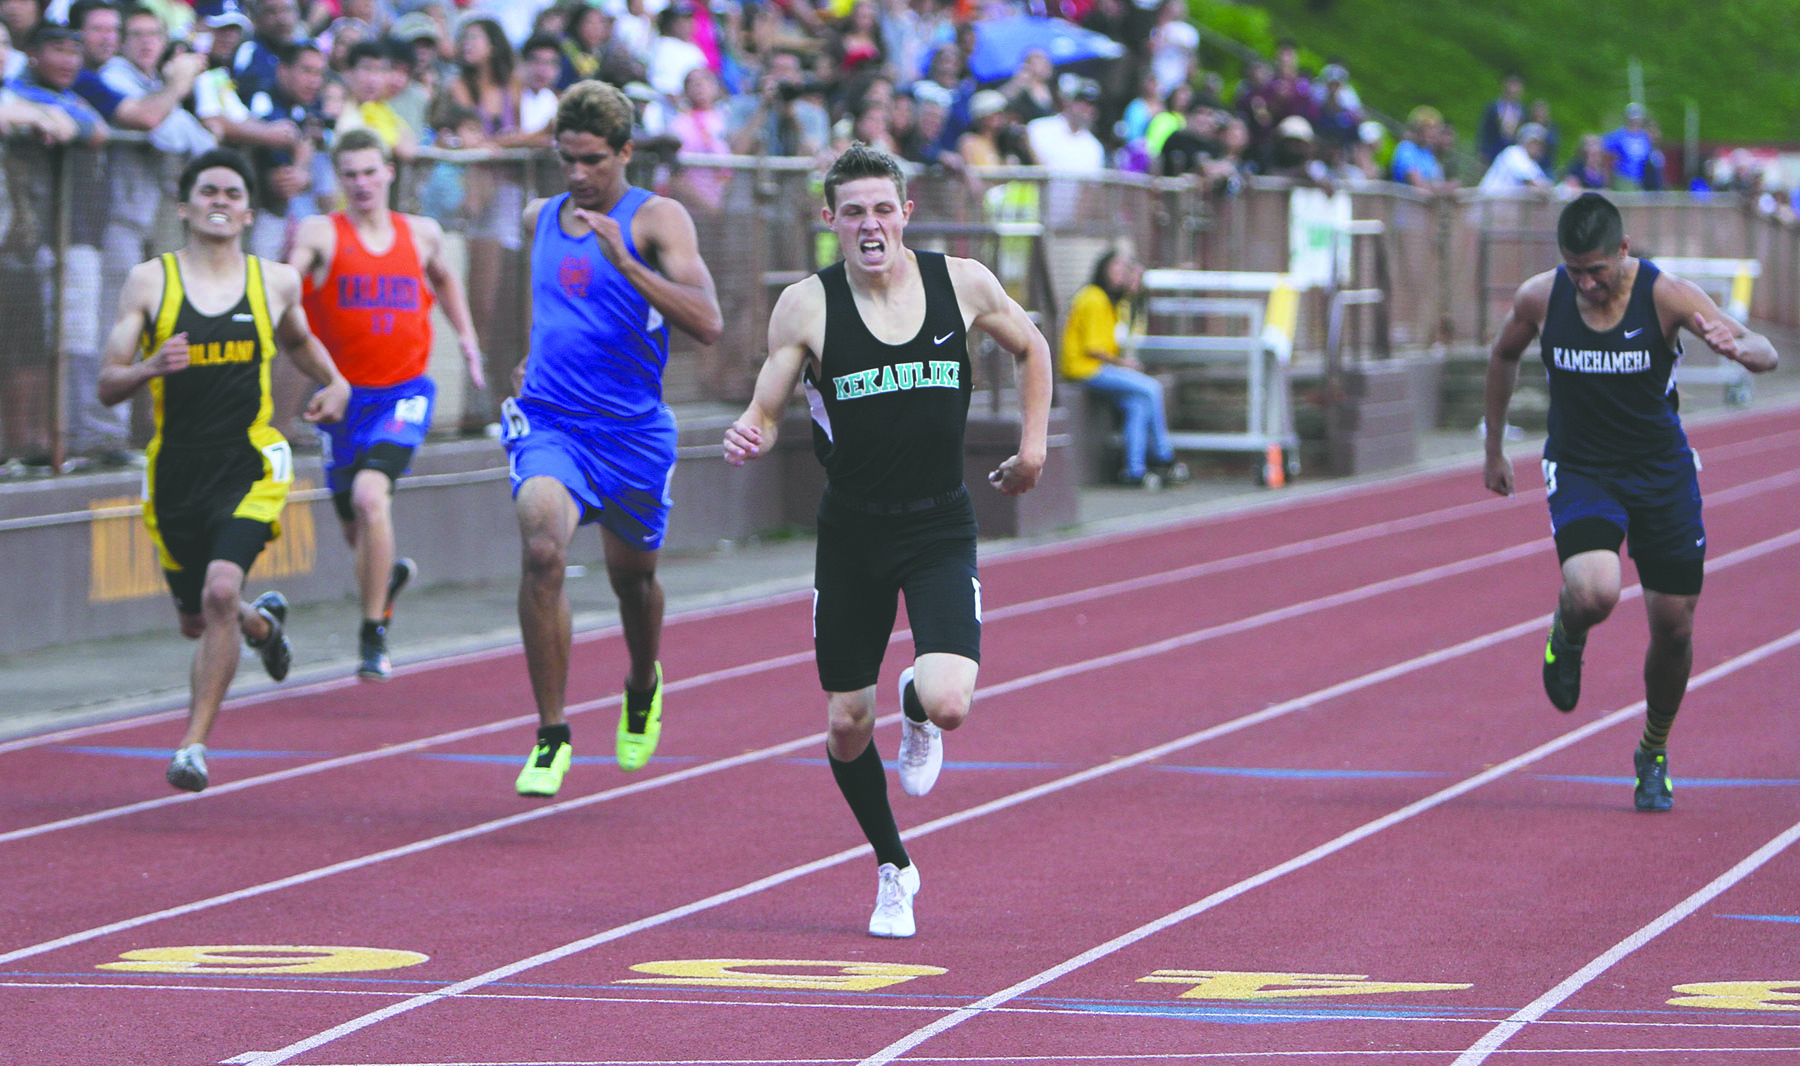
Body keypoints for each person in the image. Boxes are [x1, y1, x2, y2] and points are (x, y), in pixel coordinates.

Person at [721, 143, 1052, 938]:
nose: (870, 225)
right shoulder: (807, 304)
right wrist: (753, 429)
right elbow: (769, 398)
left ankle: (917, 706)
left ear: (906, 213)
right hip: (854, 534)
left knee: (949, 700)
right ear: (829, 220)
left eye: (882, 209)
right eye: (853, 212)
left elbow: (1033, 345)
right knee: (844, 722)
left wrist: (1034, 448)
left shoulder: (961, 283)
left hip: (939, 521)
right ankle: (893, 868)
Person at [1481, 192, 1778, 812]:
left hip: (1660, 473)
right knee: (1595, 591)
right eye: (1574, 269)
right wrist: (1494, 448)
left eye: (1596, 269)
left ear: (1623, 250)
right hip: (1584, 468)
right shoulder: (1542, 296)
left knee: (1674, 626)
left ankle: (1653, 751)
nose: (1586, 283)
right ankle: (1568, 630)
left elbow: (1763, 350)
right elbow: (1503, 354)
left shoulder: (1666, 295)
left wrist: (1742, 351)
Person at [95, 147, 350, 792]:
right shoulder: (151, 282)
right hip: (176, 468)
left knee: (215, 594)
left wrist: (337, 381)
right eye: (207, 190)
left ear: (247, 212)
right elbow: (105, 383)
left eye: (234, 193)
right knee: (195, 618)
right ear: (183, 206)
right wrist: (151, 368)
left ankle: (193, 747)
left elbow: (297, 338)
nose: (220, 201)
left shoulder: (275, 281)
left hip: (250, 460)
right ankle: (260, 624)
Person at [505, 80, 722, 797]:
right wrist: (533, 355)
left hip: (631, 433)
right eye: (565, 159)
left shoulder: (658, 220)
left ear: (625, 153)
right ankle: (552, 733)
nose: (576, 175)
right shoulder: (541, 217)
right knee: (543, 551)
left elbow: (709, 321)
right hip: (552, 423)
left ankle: (641, 681)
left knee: (635, 581)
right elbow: (554, 304)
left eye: (592, 160)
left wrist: (630, 265)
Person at [288, 127, 484, 680]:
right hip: (341, 397)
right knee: (358, 532)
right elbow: (290, 275)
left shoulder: (420, 233)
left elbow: (445, 279)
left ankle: (372, 633)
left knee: (374, 499)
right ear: (338, 178)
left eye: (370, 171)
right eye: (349, 174)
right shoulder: (322, 232)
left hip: (404, 392)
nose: (362, 183)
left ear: (389, 172)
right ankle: (385, 578)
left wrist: (465, 337)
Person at [1064, 249, 1188, 489]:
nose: (1122, 275)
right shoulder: (1093, 298)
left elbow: (1129, 319)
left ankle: (1134, 470)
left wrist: (1134, 285)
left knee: (1137, 405)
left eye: (1125, 270)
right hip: (1086, 368)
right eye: (1117, 269)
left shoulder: (1113, 302)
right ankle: (1163, 456)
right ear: (1103, 270)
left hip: (1100, 368)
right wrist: (1124, 364)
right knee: (1151, 388)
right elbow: (1093, 347)